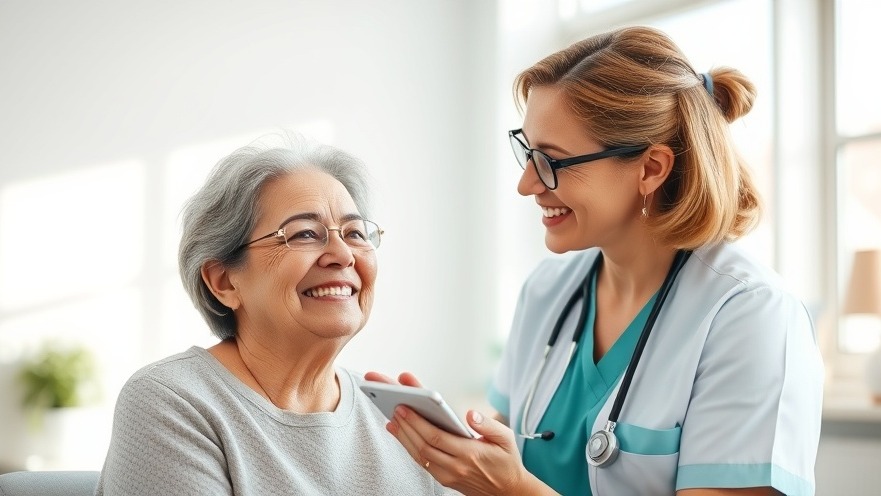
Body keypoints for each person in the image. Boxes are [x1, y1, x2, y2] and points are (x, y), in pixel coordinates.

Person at [367, 26, 823, 495]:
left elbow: (510, 484)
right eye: (527, 152)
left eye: (551, 161)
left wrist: (512, 490)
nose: (526, 184)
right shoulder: (547, 290)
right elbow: (500, 455)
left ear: (651, 168)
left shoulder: (754, 318)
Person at [96, 135, 456, 495]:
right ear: (224, 282)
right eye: (303, 234)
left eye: (355, 233)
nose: (343, 255)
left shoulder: (401, 420)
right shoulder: (172, 402)